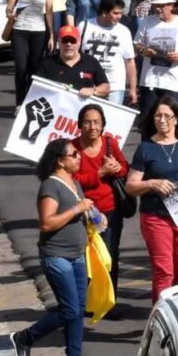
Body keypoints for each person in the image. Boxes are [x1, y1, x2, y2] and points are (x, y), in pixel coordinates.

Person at [9, 139, 99, 356]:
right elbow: (47, 223)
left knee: (78, 310)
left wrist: (94, 217)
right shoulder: (51, 186)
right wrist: (77, 209)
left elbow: (80, 212)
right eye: (74, 154)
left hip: (77, 255)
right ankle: (24, 338)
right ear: (60, 160)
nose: (79, 156)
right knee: (69, 311)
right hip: (56, 256)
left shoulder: (73, 182)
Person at [126, 95, 178, 303]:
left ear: (177, 118)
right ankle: (161, 323)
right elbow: (131, 185)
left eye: (166, 116)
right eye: (157, 116)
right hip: (156, 217)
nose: (161, 120)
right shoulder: (146, 148)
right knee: (164, 274)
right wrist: (152, 184)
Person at [73, 103, 129, 310]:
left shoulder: (109, 143)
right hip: (82, 213)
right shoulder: (72, 148)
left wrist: (116, 168)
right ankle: (85, 301)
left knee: (109, 256)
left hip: (110, 211)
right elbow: (73, 180)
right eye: (87, 122)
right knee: (83, 258)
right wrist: (100, 174)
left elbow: (125, 169)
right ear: (80, 125)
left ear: (103, 124)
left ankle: (107, 303)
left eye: (97, 122)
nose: (92, 127)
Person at [135, 0, 178, 114]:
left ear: (171, 5)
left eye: (161, 6)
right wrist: (145, 51)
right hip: (149, 79)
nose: (158, 9)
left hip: (171, 81)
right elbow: (137, 44)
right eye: (155, 5)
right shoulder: (147, 21)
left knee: (169, 117)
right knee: (147, 118)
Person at [5, 0, 55, 108]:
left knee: (34, 68)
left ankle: (30, 101)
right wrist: (10, 15)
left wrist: (52, 35)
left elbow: (49, 13)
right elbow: (8, 8)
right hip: (19, 30)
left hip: (38, 31)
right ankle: (19, 103)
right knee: (21, 68)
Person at [80, 0, 137, 106]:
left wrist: (132, 89)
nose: (119, 16)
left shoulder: (124, 31)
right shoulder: (84, 26)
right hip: (88, 85)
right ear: (104, 12)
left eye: (120, 13)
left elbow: (130, 62)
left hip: (114, 87)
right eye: (115, 13)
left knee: (112, 123)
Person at [37, 24, 110, 98]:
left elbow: (106, 87)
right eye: (65, 40)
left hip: (84, 107)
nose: (69, 44)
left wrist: (93, 90)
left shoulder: (91, 62)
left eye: (73, 40)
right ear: (58, 41)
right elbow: (37, 87)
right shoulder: (47, 63)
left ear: (79, 42)